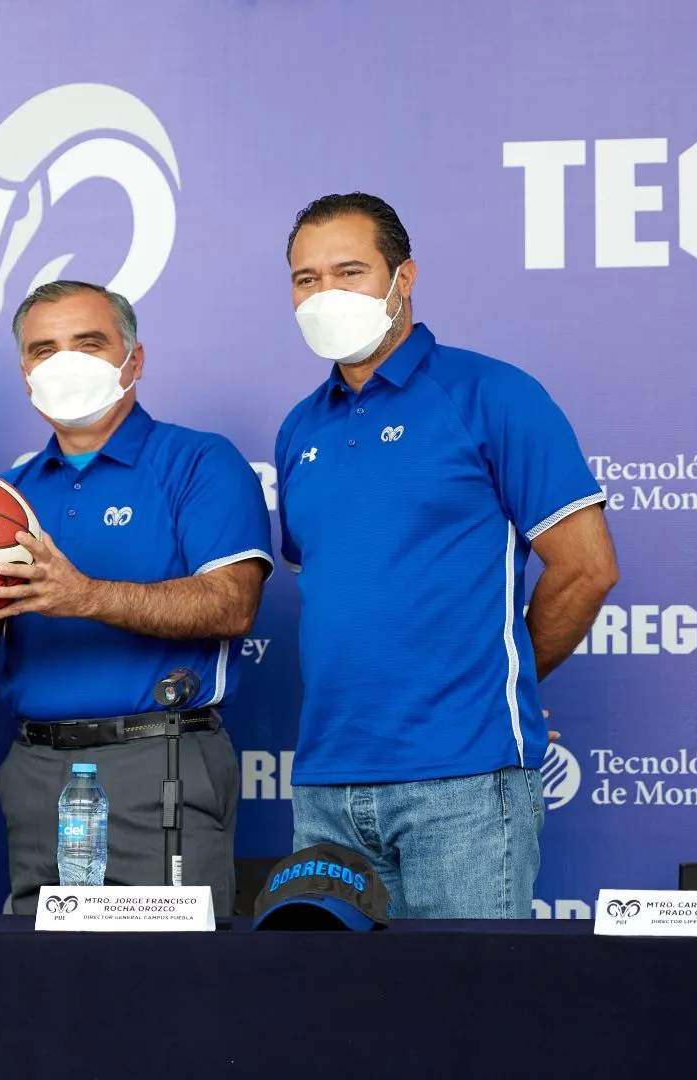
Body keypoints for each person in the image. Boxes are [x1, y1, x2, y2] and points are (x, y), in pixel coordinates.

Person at [274, 193, 619, 919]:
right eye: (307, 278)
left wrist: (503, 685)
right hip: (325, 784)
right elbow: (337, 590)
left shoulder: (492, 394)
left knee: (470, 994)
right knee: (331, 998)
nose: (326, 293)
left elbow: (587, 567)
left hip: (463, 781)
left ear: (404, 278)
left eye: (349, 271)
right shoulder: (299, 428)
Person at [0, 281, 272, 915]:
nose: (64, 362)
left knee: (170, 969)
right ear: (25, 373)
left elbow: (232, 605)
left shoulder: (198, 461)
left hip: (158, 756)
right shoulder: (4, 498)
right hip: (36, 767)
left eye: (88, 344)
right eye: (44, 349)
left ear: (134, 359)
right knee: (44, 972)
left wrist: (85, 596)